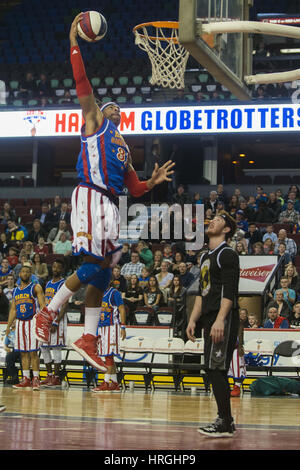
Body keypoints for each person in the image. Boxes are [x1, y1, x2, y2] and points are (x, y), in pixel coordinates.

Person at [34, 13, 174, 373]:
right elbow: (82, 83)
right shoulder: (94, 123)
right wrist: (73, 44)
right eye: (107, 104)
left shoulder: (125, 148)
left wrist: (152, 183)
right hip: (90, 195)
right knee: (93, 263)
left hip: (111, 204)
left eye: (116, 107)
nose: (112, 107)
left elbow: (134, 189)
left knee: (105, 272)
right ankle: (48, 312)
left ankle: (89, 337)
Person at [186, 210, 239, 438]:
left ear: (226, 230)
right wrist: (193, 319)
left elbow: (230, 291)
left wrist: (220, 319)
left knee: (217, 368)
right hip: (209, 317)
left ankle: (225, 421)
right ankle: (225, 419)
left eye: (218, 220)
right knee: (211, 367)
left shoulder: (227, 254)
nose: (212, 221)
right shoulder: (206, 255)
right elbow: (202, 291)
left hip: (223, 317)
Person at [5, 265, 45, 390]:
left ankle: (36, 379)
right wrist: (8, 325)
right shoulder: (16, 291)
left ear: (31, 274)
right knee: (23, 353)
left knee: (33, 352)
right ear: (19, 274)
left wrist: (43, 322)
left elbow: (43, 305)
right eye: (23, 271)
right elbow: (13, 310)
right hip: (20, 323)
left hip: (32, 321)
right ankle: (26, 378)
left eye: (28, 271)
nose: (25, 273)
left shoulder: (35, 287)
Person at [92, 285, 126, 393]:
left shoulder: (114, 293)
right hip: (102, 327)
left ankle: (106, 383)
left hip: (112, 327)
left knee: (108, 356)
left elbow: (122, 309)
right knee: (108, 356)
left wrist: (123, 326)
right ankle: (115, 383)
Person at [40, 260, 68, 388]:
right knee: (44, 347)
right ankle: (49, 375)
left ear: (62, 269)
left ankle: (56, 378)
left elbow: (65, 305)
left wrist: (56, 322)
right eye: (54, 266)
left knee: (56, 348)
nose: (55, 269)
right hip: (47, 319)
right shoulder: (48, 283)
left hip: (58, 319)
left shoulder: (64, 284)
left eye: (58, 267)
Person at [228, 317, 246, 398]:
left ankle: (237, 387)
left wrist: (240, 346)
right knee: (228, 369)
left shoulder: (239, 326)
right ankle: (227, 387)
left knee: (237, 368)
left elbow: (240, 338)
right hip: (227, 349)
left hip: (236, 349)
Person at [3, 318, 20, 385]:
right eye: (11, 321)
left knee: (23, 359)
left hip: (22, 349)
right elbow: (5, 345)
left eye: (14, 321)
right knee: (8, 357)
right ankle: (14, 377)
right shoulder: (9, 332)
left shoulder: (20, 331)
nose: (12, 322)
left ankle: (26, 378)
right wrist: (6, 348)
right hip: (14, 350)